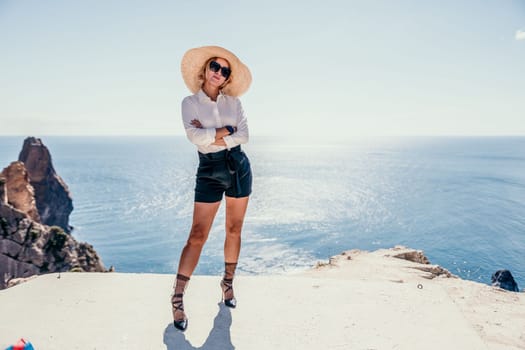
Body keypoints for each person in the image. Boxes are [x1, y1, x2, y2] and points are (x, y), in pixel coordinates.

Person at [171, 46, 253, 332]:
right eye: (214, 67)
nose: (219, 73)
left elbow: (244, 134)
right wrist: (225, 132)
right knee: (197, 235)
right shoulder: (189, 103)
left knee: (234, 229)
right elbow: (195, 138)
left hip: (239, 167)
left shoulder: (235, 104)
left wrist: (215, 137)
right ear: (204, 71)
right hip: (209, 170)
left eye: (225, 70)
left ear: (228, 77)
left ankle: (227, 284)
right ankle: (178, 297)